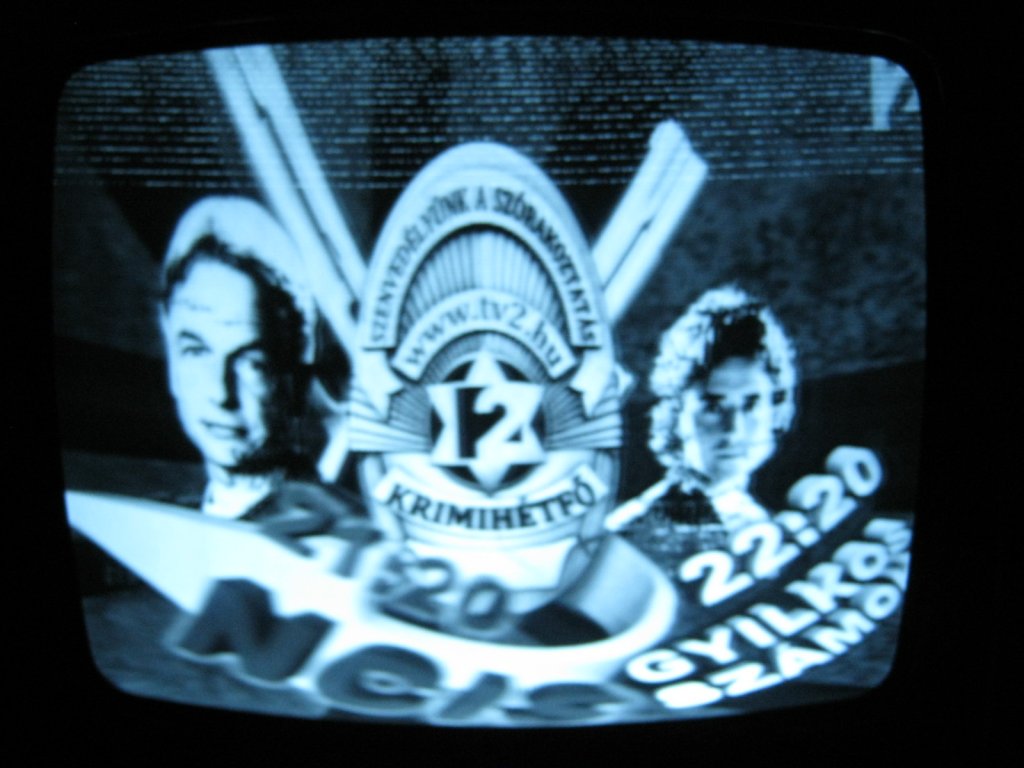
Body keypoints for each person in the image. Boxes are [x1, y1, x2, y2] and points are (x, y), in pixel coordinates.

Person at [160, 196, 357, 529]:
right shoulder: (159, 526)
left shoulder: (341, 530)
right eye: (196, 351)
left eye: (252, 362)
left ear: (296, 371)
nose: (221, 394)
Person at [607, 285, 797, 571]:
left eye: (751, 404)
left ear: (777, 408)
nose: (734, 429)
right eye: (713, 407)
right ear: (675, 416)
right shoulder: (632, 537)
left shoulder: (765, 521)